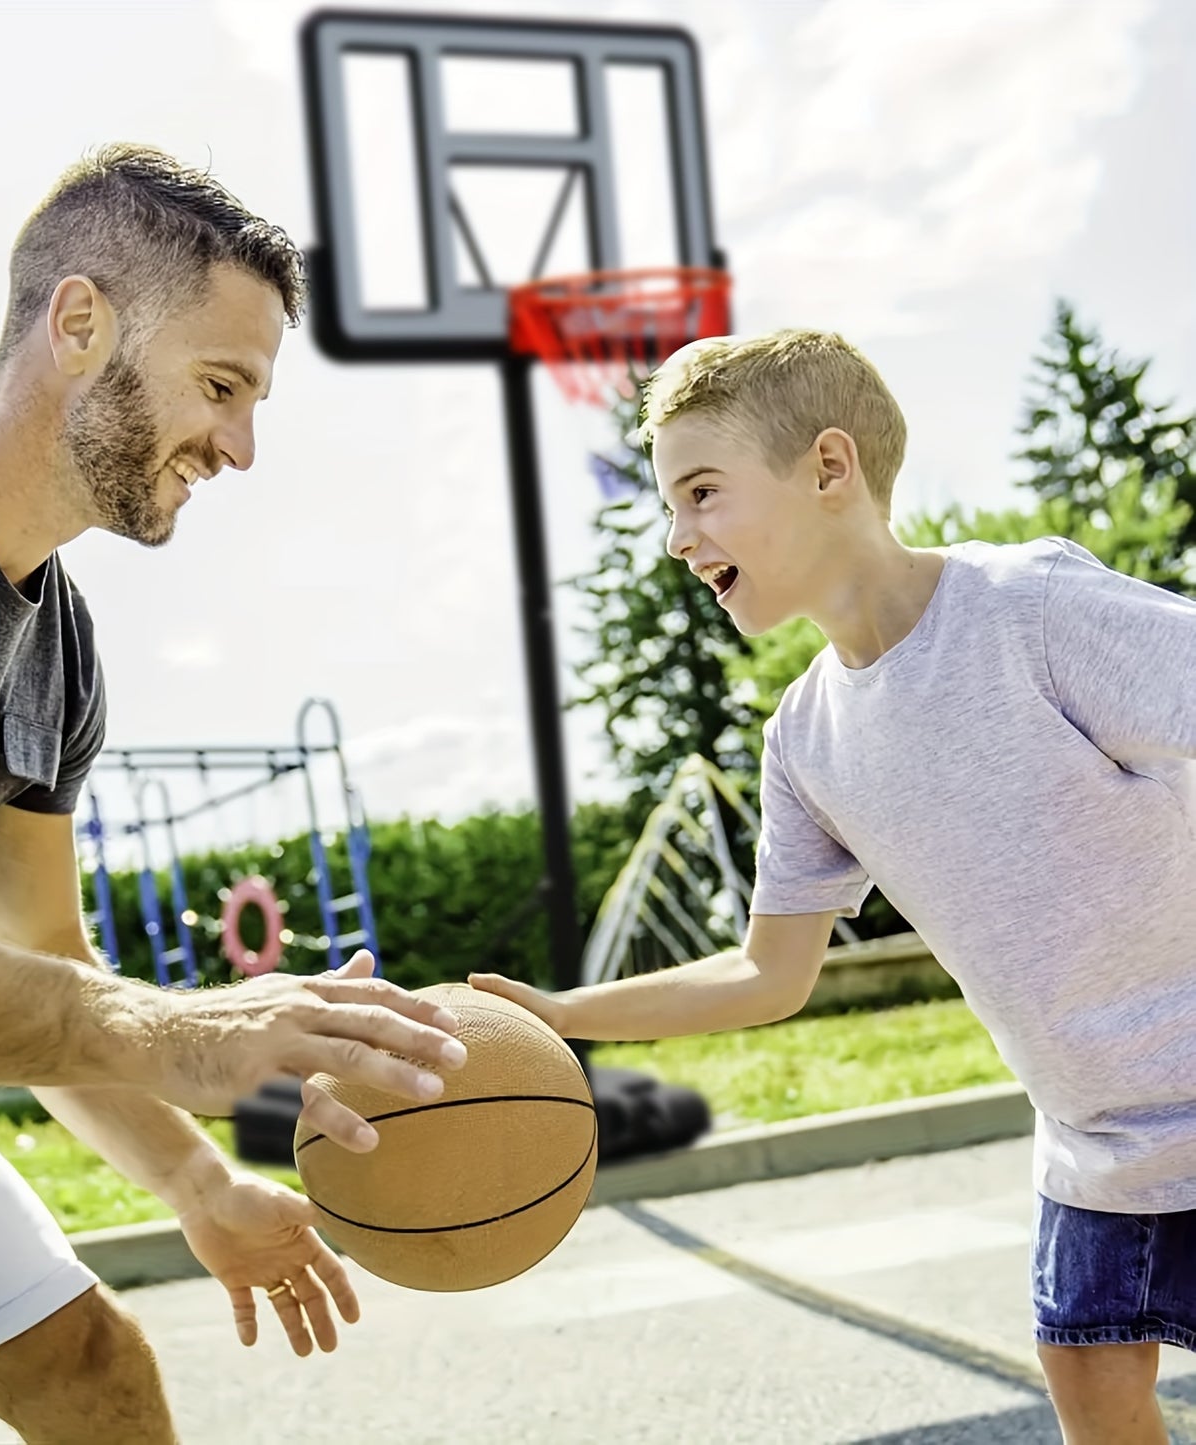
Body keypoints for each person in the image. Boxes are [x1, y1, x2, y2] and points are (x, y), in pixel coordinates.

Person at [0, 144, 468, 1444]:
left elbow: (33, 952)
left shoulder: (59, 655)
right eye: (221, 385)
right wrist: (181, 1033)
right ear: (79, 322)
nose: (240, 447)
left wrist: (197, 1181)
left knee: (89, 1371)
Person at [473, 329, 1196, 1445]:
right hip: (1094, 1144)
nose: (677, 536)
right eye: (670, 505)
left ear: (827, 468)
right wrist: (565, 1018)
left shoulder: (1028, 609)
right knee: (1090, 1388)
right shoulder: (805, 738)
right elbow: (768, 973)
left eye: (702, 491)